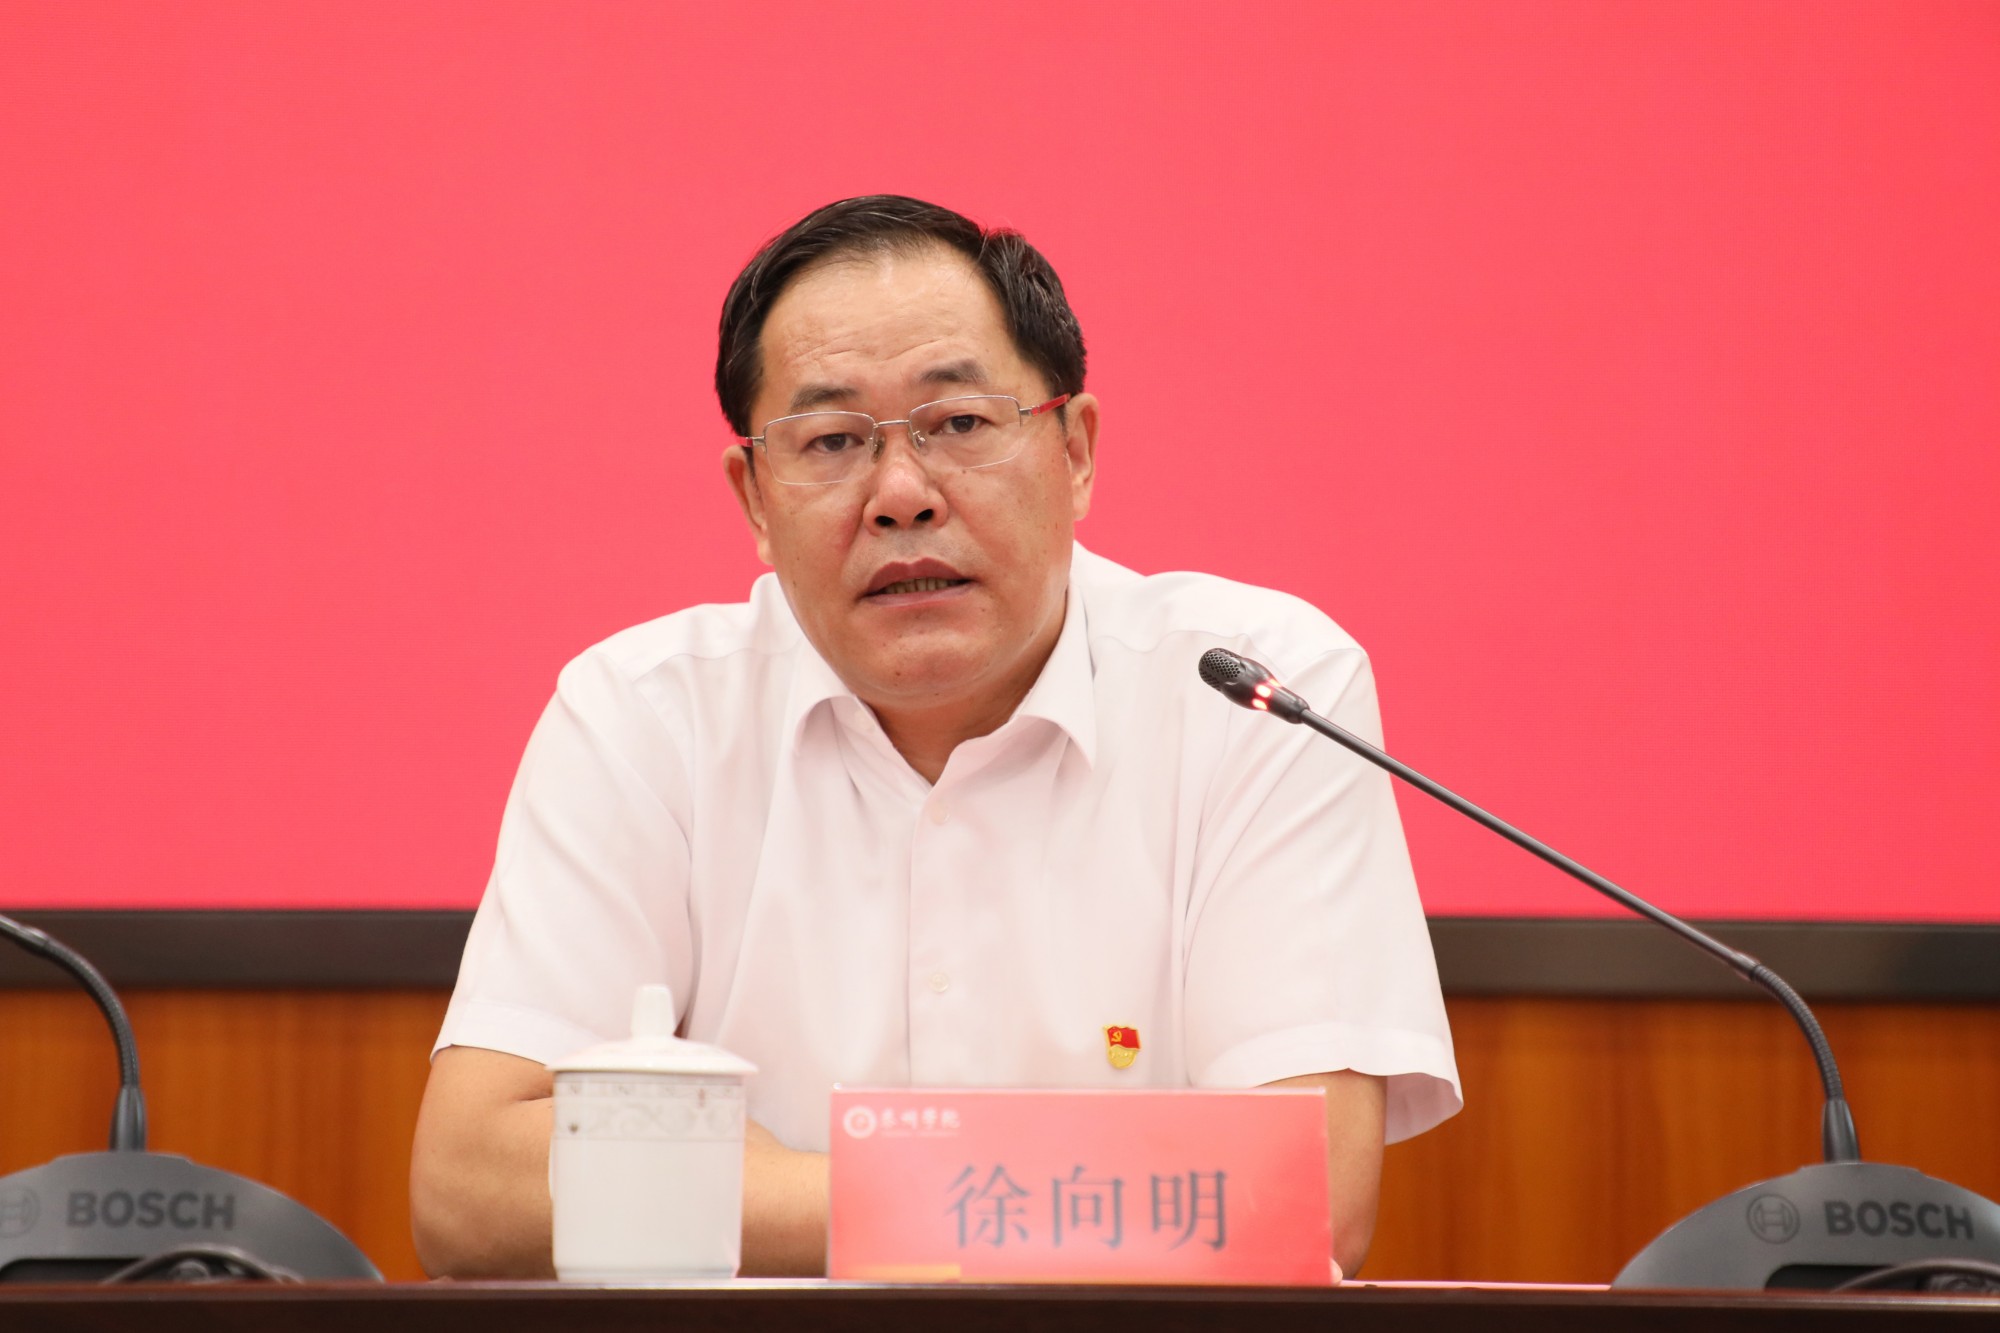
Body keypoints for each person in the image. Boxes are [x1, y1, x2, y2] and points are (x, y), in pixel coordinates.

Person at [410, 196, 1460, 1280]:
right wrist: (1026, 1193)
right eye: (831, 441)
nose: (902, 496)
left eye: (958, 423)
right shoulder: (644, 715)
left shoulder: (1252, 693)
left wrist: (723, 1179)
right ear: (755, 499)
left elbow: (1301, 1193)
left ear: (1076, 450)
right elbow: (465, 1186)